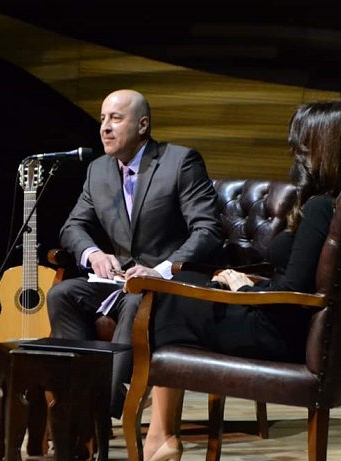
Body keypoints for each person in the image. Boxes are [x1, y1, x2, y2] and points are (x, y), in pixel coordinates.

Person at [110, 99, 341, 461]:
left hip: (279, 333)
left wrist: (239, 285)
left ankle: (155, 432)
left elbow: (293, 293)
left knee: (164, 295)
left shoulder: (320, 208)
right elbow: (313, 286)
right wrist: (253, 282)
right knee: (182, 289)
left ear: (321, 148)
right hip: (315, 333)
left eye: (299, 144)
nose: (293, 152)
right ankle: (160, 436)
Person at [46, 89, 224, 419]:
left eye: (116, 118)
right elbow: (72, 227)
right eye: (102, 119)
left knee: (135, 300)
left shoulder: (180, 162)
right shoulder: (98, 170)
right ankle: (86, 393)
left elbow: (208, 230)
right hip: (120, 279)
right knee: (62, 294)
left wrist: (162, 270)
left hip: (169, 283)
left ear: (142, 125)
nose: (105, 128)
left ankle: (100, 407)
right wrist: (92, 252)